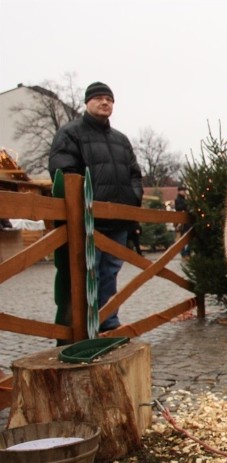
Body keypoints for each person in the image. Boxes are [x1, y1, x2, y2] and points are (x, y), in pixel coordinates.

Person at [49, 81, 143, 332]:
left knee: (110, 274)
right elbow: (63, 172)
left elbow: (135, 174)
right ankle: (83, 328)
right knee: (86, 274)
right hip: (88, 221)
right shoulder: (70, 134)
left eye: (109, 99)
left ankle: (108, 322)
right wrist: (83, 205)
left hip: (118, 221)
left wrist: (133, 199)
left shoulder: (121, 140)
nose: (105, 103)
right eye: (99, 98)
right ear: (87, 102)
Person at [174, 185, 190, 257]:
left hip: (186, 221)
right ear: (179, 191)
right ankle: (184, 252)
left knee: (187, 236)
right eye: (182, 191)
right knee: (183, 236)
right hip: (182, 221)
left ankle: (187, 252)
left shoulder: (184, 199)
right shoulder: (178, 199)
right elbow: (178, 207)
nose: (184, 192)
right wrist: (186, 205)